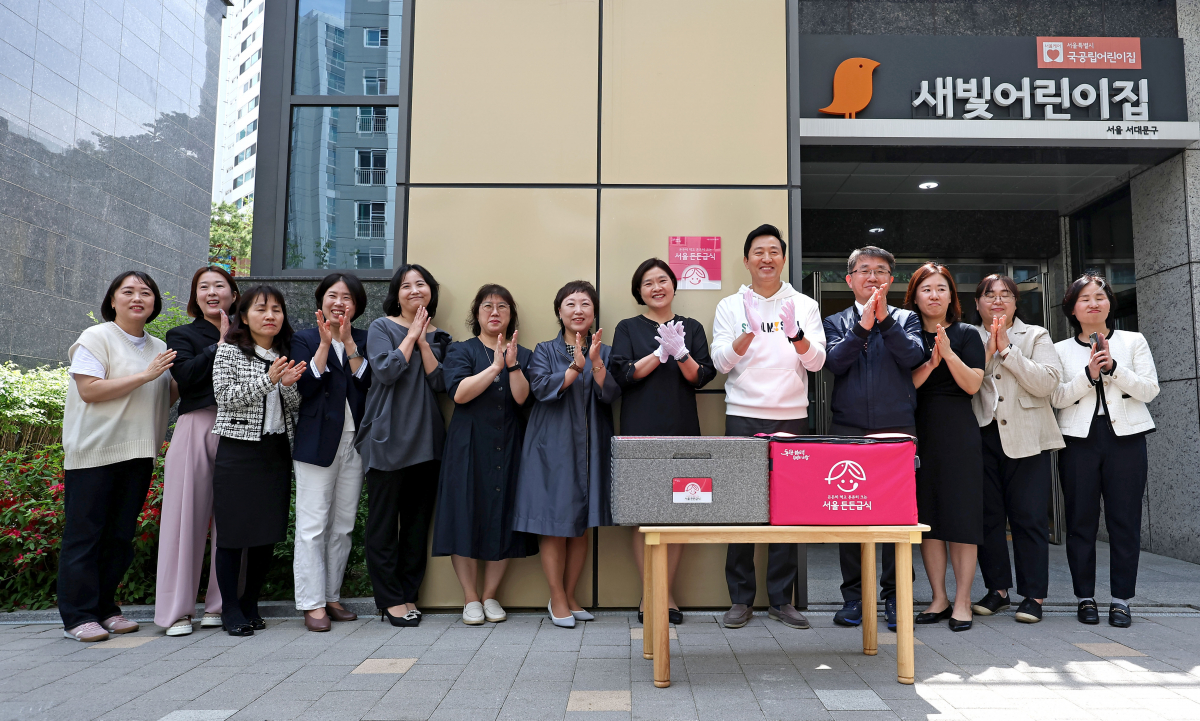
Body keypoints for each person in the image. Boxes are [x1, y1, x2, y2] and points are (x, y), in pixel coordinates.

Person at [711, 224, 825, 631]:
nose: (766, 258)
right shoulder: (729, 305)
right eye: (758, 252)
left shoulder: (804, 305)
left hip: (792, 415)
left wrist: (794, 333)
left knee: (788, 510)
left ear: (783, 257)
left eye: (774, 251)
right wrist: (747, 331)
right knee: (740, 506)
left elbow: (817, 362)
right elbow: (721, 362)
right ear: (746, 260)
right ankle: (740, 600)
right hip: (743, 413)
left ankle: (782, 600)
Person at [59, 271, 177, 642]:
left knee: (119, 537)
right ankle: (78, 617)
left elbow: (164, 398)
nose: (137, 298)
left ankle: (106, 609)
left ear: (155, 303)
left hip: (139, 452)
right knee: (85, 535)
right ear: (112, 300)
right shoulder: (96, 338)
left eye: (145, 292)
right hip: (95, 452)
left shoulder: (159, 347)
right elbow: (90, 390)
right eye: (128, 292)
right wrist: (146, 376)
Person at [822, 246, 925, 632]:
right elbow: (833, 362)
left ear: (891, 280)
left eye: (880, 271)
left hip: (897, 428)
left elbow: (913, 357)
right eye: (864, 270)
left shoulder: (907, 318)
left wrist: (884, 321)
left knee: (897, 517)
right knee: (848, 514)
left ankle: (896, 597)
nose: (873, 277)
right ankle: (855, 598)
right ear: (849, 280)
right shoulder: (835, 321)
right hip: (848, 428)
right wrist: (863, 326)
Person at [610, 259, 717, 626]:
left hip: (682, 427)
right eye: (647, 283)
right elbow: (623, 375)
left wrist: (681, 351)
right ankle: (650, 593)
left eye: (662, 280)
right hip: (640, 429)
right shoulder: (628, 328)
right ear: (638, 292)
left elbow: (700, 377)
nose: (656, 287)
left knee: (679, 514)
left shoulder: (693, 327)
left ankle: (665, 592)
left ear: (674, 284)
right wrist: (659, 354)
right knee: (643, 516)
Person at [1051, 274, 1159, 628]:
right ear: (1072, 308)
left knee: (1124, 521)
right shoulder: (1061, 349)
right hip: (1079, 440)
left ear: (1109, 303)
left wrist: (1113, 369)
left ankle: (1121, 599)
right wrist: (1088, 374)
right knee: (1080, 521)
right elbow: (1057, 398)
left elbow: (1149, 390)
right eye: (1085, 299)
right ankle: (1085, 597)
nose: (1093, 303)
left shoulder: (1133, 341)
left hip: (1126, 439)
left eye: (1100, 296)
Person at [513, 280, 620, 628]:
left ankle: (571, 594)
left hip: (591, 445)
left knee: (582, 525)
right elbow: (541, 389)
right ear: (559, 311)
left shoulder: (604, 349)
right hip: (553, 446)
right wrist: (574, 368)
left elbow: (611, 395)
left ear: (593, 312)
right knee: (555, 524)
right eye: (571, 304)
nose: (578, 310)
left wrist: (595, 363)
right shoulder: (544, 350)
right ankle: (556, 597)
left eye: (585, 304)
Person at [432, 284, 538, 626]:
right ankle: (470, 598)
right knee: (464, 515)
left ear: (511, 316)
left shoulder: (524, 353)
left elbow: (522, 399)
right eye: (488, 306)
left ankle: (491, 595)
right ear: (476, 314)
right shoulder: (461, 351)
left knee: (503, 515)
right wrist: (494, 368)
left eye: (503, 307)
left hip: (509, 444)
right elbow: (459, 394)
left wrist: (512, 364)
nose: (495, 312)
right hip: (468, 444)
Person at [357, 264, 451, 627]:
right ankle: (390, 600)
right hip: (387, 438)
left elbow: (441, 384)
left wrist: (426, 340)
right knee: (383, 525)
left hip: (427, 441)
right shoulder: (382, 328)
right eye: (407, 285)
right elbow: (384, 371)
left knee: (415, 526)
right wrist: (411, 335)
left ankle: (409, 593)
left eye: (421, 284)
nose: (414, 290)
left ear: (431, 292)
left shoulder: (442, 336)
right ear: (396, 293)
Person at [211, 286, 306, 636]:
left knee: (266, 534)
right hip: (238, 450)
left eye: (277, 310)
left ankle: (250, 602)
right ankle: (230, 608)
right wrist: (269, 380)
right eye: (261, 309)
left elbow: (294, 407)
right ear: (245, 315)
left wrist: (289, 386)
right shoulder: (230, 352)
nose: (270, 316)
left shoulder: (287, 352)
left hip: (276, 451)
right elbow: (226, 398)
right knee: (234, 535)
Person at [970, 275, 1064, 624]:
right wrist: (987, 349)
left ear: (1015, 303)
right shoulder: (967, 335)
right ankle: (998, 591)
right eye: (989, 295)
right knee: (987, 519)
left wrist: (1008, 350)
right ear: (977, 303)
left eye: (1005, 295)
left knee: (1029, 518)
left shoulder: (1035, 335)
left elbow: (1047, 383)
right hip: (982, 436)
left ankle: (1033, 595)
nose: (997, 300)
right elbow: (962, 383)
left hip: (1027, 438)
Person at [155, 266, 239, 636]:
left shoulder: (250, 331)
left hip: (241, 429)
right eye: (203, 287)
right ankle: (177, 611)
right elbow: (186, 378)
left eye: (219, 286)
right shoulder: (182, 334)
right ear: (195, 297)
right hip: (197, 425)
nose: (212, 292)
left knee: (233, 521)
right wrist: (218, 345)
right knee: (183, 518)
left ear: (233, 294)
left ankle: (221, 606)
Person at [290, 273, 372, 632]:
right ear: (321, 300)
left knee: (342, 525)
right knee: (312, 526)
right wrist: (324, 345)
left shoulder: (365, 339)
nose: (340, 302)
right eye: (333, 296)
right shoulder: (303, 338)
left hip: (354, 442)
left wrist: (348, 342)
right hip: (317, 442)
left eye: (348, 298)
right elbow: (306, 385)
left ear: (357, 306)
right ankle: (311, 603)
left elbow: (366, 382)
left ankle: (331, 595)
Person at [906, 263, 985, 632]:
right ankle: (938, 598)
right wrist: (930, 360)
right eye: (926, 289)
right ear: (915, 296)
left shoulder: (968, 334)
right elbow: (904, 388)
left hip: (958, 432)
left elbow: (972, 385)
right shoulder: (906, 335)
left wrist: (948, 354)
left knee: (962, 519)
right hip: (919, 431)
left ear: (952, 295)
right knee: (930, 519)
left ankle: (964, 601)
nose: (934, 295)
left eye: (941, 288)